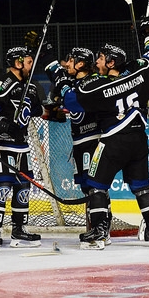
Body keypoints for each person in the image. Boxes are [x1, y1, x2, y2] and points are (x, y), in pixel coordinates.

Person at [49, 18, 149, 249]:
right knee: (141, 186)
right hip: (138, 140)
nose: (98, 61)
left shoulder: (98, 87)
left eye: (101, 58)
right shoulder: (139, 73)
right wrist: (148, 34)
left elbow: (71, 100)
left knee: (95, 185)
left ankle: (100, 232)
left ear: (111, 63)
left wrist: (60, 80)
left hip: (113, 141)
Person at [0, 45, 44, 252]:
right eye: (29, 62)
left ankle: (19, 230)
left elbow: (38, 110)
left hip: (20, 144)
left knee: (23, 186)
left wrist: (55, 111)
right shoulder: (3, 83)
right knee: (2, 186)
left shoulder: (30, 87)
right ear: (17, 63)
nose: (32, 66)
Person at [47, 47, 106, 238]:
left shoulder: (93, 81)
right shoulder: (74, 80)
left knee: (94, 185)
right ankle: (96, 227)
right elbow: (56, 76)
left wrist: (62, 86)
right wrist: (47, 49)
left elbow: (70, 92)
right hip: (79, 142)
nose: (67, 63)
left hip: (92, 140)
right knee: (86, 187)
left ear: (81, 63)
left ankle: (101, 229)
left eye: (71, 60)